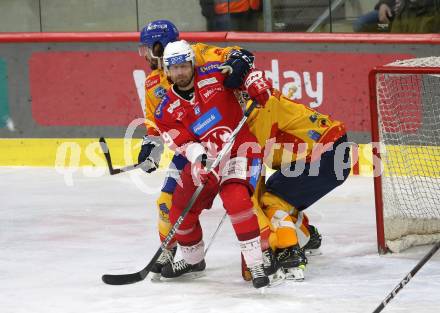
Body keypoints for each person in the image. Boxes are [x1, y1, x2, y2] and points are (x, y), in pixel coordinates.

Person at [137, 19, 257, 279]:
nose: (144, 54)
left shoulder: (198, 53)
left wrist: (237, 61)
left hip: (227, 142)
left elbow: (237, 55)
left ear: (160, 46)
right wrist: (151, 146)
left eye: (147, 47)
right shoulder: (151, 83)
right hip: (191, 149)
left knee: (245, 199)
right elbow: (155, 125)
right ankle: (173, 253)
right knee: (167, 202)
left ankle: (271, 252)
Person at [154, 40, 273, 289]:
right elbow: (182, 143)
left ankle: (256, 264)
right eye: (174, 68)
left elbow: (248, 71)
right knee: (181, 207)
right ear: (166, 70)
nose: (180, 73)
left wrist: (257, 84)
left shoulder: (214, 74)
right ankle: (193, 260)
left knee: (236, 199)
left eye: (184, 66)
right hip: (206, 159)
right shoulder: (165, 110)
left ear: (192, 63)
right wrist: (198, 159)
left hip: (240, 149)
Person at [354, 1, 440, 33]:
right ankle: (385, 31)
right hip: (393, 15)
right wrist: (383, 4)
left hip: (419, 15)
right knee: (363, 24)